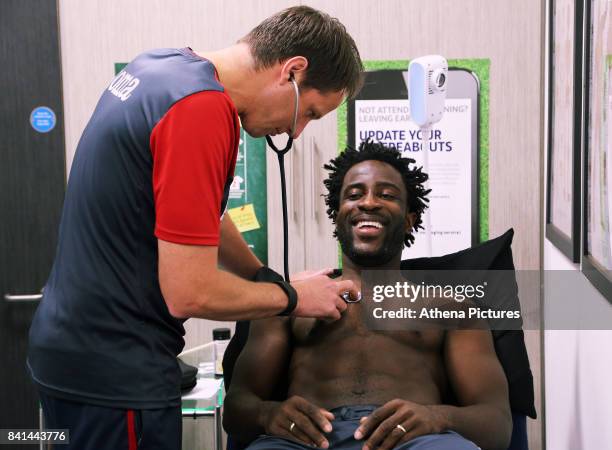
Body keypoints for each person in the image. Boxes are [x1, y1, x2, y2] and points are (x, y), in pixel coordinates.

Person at [27, 6, 362, 450]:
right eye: (312, 113)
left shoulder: (159, 68)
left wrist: (265, 278)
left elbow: (200, 213)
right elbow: (189, 292)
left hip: (66, 352)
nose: (296, 132)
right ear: (292, 71)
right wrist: (295, 299)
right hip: (117, 373)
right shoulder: (203, 110)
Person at [223, 141, 512, 450]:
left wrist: (437, 417)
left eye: (386, 195)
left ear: (409, 219)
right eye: (354, 194)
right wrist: (268, 414)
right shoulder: (291, 301)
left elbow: (496, 423)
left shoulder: (449, 307)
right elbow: (236, 409)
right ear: (337, 215)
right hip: (305, 441)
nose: (369, 203)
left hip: (416, 441)